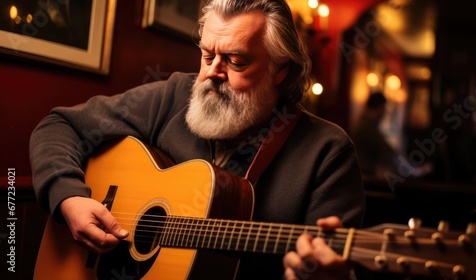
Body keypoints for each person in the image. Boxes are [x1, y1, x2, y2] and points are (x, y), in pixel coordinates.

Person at [29, 0, 365, 279]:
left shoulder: (328, 152)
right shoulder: (175, 95)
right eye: (207, 55)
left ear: (281, 70)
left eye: (235, 60)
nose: (211, 74)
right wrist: (69, 198)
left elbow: (338, 266)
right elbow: (60, 125)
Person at [351, 92, 432, 179]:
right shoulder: (366, 126)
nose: (384, 112)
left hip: (363, 172)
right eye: (384, 108)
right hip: (366, 173)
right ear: (380, 108)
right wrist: (412, 171)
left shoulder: (364, 122)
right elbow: (387, 150)